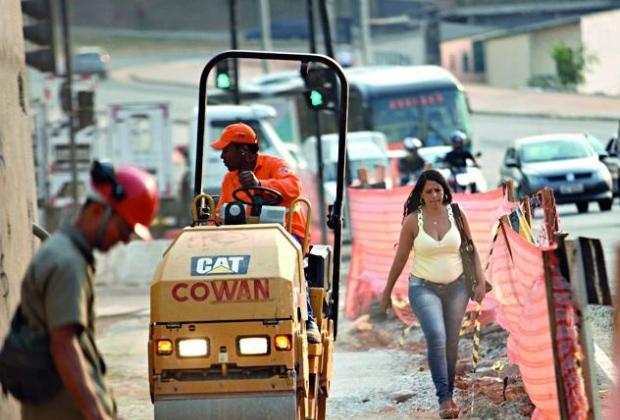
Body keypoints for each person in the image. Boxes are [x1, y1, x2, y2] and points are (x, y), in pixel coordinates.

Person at [16, 161, 159, 420]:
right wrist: (96, 413)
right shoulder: (67, 263)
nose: (126, 240)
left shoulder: (65, 253)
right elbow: (64, 344)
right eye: (125, 228)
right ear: (97, 211)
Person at [379, 169, 487, 419]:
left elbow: (471, 250)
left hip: (458, 286)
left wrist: (480, 282)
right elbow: (400, 260)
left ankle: (448, 395)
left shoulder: (457, 215)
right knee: (436, 335)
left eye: (438, 190)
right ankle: (444, 398)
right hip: (423, 287)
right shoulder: (412, 222)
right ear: (421, 195)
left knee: (451, 341)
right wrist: (386, 294)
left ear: (444, 191)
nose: (435, 195)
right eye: (429, 191)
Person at [211, 122, 321, 343]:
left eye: (226, 150)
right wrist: (209, 230)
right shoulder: (229, 179)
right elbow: (220, 213)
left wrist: (261, 183)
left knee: (286, 258)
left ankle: (308, 319)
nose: (222, 156)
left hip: (287, 234)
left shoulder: (275, 165)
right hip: (246, 237)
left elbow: (293, 188)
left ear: (242, 151)